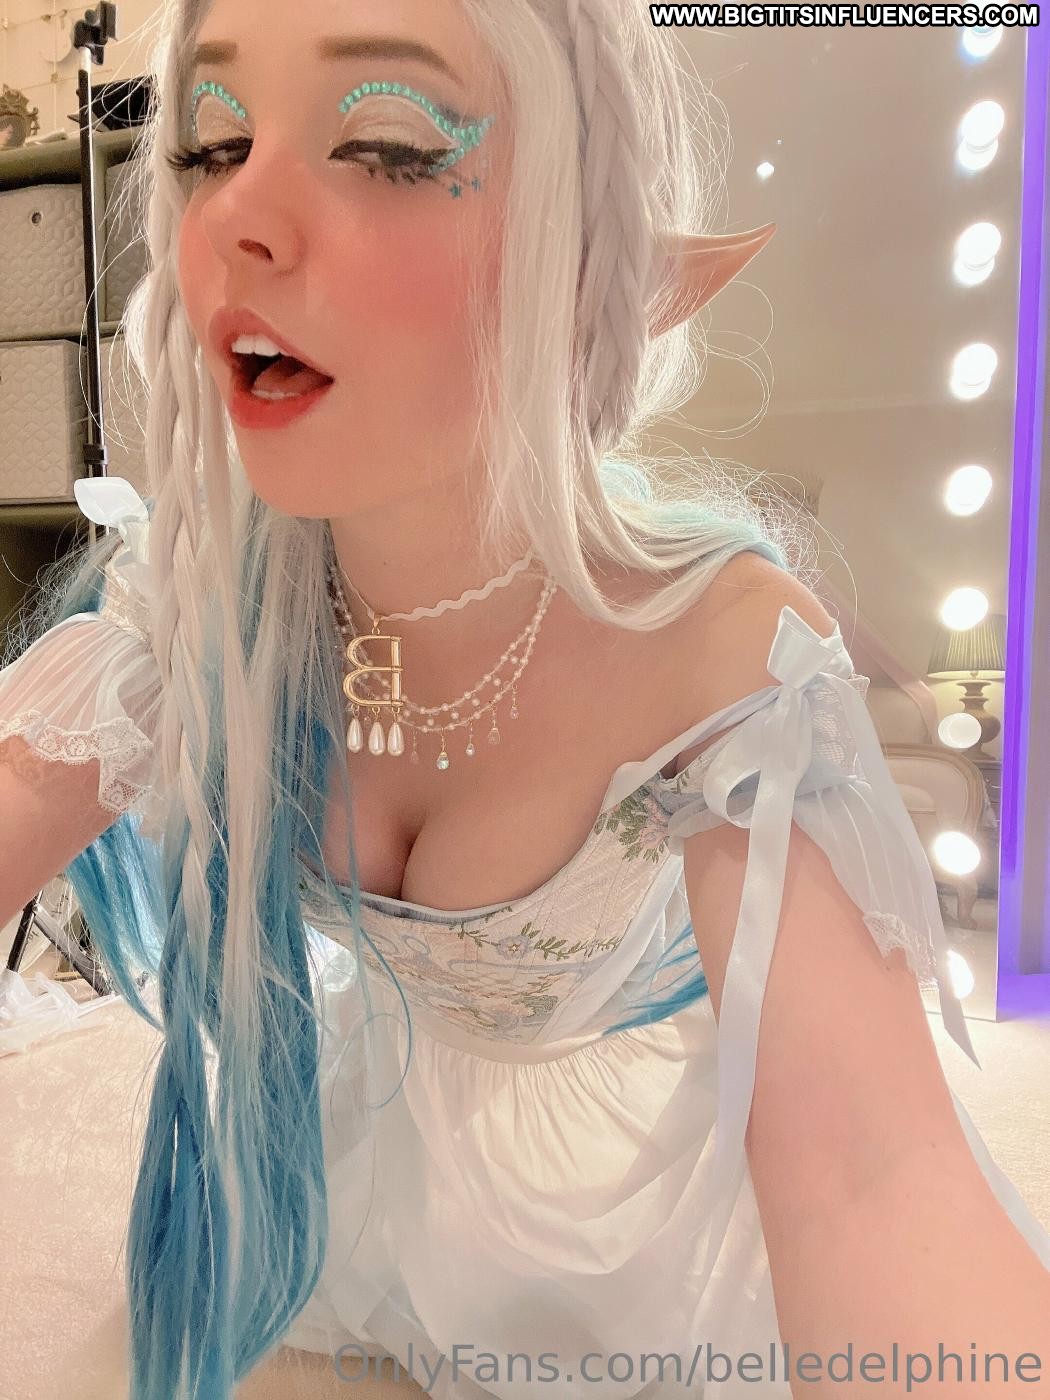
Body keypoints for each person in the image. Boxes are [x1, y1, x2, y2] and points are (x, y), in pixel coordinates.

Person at [0, 0, 1048, 1397]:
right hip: (363, 1179)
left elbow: (873, 1177)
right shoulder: (199, 611)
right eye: (214, 144)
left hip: (628, 1223)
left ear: (578, 250)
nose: (237, 217)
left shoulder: (714, 655)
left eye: (386, 145)